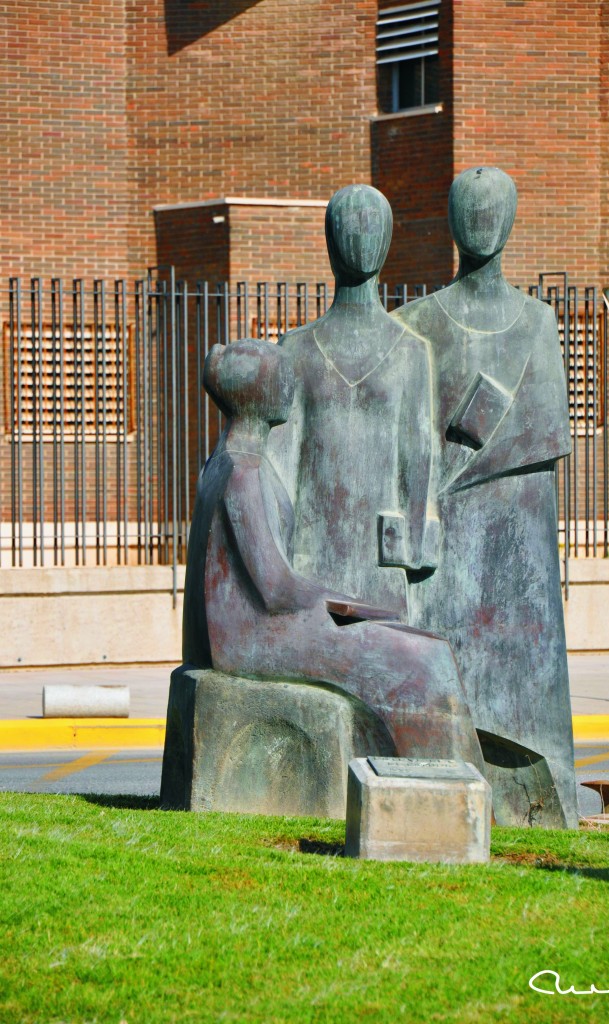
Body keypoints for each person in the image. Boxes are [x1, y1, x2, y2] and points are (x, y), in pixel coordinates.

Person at [182, 337, 484, 768]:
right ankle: (437, 781)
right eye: (282, 380)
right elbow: (275, 588)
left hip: (258, 628)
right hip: (252, 639)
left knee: (421, 644)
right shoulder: (242, 471)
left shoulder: (238, 460)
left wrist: (352, 609)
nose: (289, 389)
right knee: (420, 660)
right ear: (257, 391)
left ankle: (443, 776)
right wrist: (346, 605)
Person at [393, 167, 578, 827]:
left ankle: (539, 797)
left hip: (519, 545)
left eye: (491, 209)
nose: (481, 222)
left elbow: (546, 433)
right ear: (451, 222)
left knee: (523, 693)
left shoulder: (539, 323)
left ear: (511, 221)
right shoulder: (415, 324)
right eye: (470, 210)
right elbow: (403, 441)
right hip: (447, 545)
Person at [268, 184, 439, 621]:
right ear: (331, 241)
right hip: (313, 552)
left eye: (373, 227)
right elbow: (281, 466)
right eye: (350, 227)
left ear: (388, 241)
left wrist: (413, 544)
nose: (361, 238)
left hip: (383, 556)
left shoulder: (410, 351)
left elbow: (418, 454)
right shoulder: (297, 349)